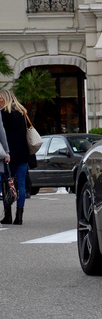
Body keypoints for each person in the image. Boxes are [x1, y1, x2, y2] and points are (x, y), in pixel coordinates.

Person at [1, 90, 30, 225]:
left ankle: (8, 215)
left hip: (9, 154)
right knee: (21, 184)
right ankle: (19, 216)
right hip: (23, 153)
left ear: (5, 98)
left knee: (7, 184)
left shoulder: (3, 114)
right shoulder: (22, 113)